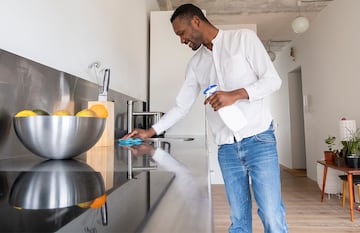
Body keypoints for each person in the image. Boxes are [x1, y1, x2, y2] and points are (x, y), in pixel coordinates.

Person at [122, 3, 288, 233]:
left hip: (259, 139)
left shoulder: (243, 40)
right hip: (227, 149)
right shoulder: (196, 64)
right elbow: (182, 106)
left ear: (196, 22)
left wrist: (235, 94)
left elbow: (272, 80)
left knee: (271, 214)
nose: (181, 40)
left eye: (181, 33)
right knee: (238, 219)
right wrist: (150, 131)